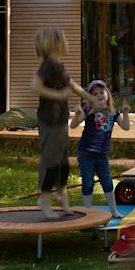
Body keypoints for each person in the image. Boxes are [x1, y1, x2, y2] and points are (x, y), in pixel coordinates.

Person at [33, 26, 89, 219]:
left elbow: (73, 86)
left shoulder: (58, 67)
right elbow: (35, 86)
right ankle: (44, 198)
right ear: (55, 44)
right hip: (49, 121)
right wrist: (57, 95)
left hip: (60, 121)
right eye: (64, 39)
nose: (67, 42)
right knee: (51, 161)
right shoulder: (48, 65)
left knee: (63, 160)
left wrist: (93, 99)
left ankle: (61, 193)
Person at [72, 79, 129, 212]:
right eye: (95, 94)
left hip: (102, 155)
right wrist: (77, 115)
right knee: (88, 183)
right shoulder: (88, 111)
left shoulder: (113, 113)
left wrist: (126, 113)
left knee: (107, 183)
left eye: (101, 92)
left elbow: (126, 126)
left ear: (107, 93)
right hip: (86, 154)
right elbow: (73, 125)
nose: (99, 95)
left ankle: (114, 211)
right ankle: (88, 211)